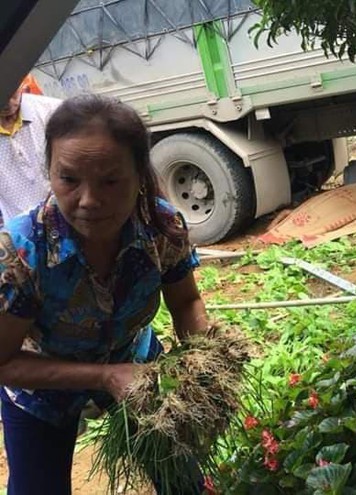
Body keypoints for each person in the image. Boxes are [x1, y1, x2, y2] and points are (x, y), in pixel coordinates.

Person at [0, 94, 210, 495]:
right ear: (49, 172)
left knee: (184, 483)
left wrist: (201, 359)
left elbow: (185, 302)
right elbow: (2, 361)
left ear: (139, 175)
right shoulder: (21, 253)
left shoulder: (161, 227)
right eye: (69, 179)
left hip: (137, 368)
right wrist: (105, 376)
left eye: (111, 181)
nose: (89, 201)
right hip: (41, 387)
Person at [0, 79, 60, 226]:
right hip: (20, 232)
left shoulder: (53, 112)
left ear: (21, 83)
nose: (8, 103)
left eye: (12, 93)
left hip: (64, 218)